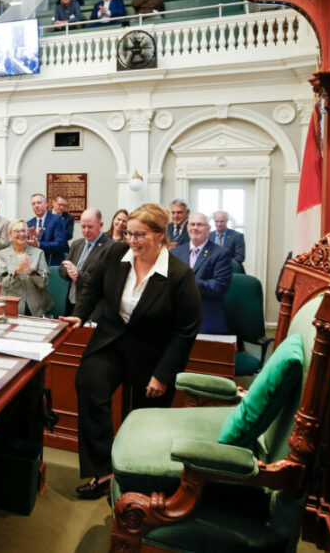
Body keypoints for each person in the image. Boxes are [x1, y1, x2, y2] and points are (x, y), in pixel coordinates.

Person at [64, 203, 201, 499]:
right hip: (111, 340)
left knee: (146, 416)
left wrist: (163, 375)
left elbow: (185, 331)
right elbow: (93, 287)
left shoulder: (179, 274)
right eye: (129, 234)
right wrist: (80, 314)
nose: (133, 241)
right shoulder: (116, 254)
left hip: (153, 351)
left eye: (140, 235)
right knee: (89, 385)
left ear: (160, 234)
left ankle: (139, 479)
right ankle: (102, 471)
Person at [171, 212, 233, 334]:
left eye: (200, 225)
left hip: (206, 314)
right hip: (177, 314)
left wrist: (188, 283)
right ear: (188, 227)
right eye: (192, 224)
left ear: (208, 229)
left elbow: (220, 286)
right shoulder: (176, 253)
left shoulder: (221, 253)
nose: (195, 228)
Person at [58, 208, 113, 314]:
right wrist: (69, 272)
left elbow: (104, 281)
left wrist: (79, 274)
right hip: (71, 302)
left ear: (101, 225)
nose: (86, 230)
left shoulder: (110, 247)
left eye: (90, 227)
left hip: (92, 308)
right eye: (83, 226)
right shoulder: (77, 244)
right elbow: (62, 269)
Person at [0, 219, 52, 317]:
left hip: (34, 306)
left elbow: (44, 281)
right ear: (10, 235)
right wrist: (16, 272)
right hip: (10, 303)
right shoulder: (2, 255)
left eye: (24, 231)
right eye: (17, 231)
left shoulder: (38, 253)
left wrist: (32, 272)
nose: (21, 234)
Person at [25, 193, 68, 266]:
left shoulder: (57, 219)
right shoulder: (29, 223)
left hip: (53, 264)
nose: (36, 206)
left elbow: (60, 244)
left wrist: (38, 244)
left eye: (39, 203)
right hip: (34, 265)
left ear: (46, 204)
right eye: (33, 204)